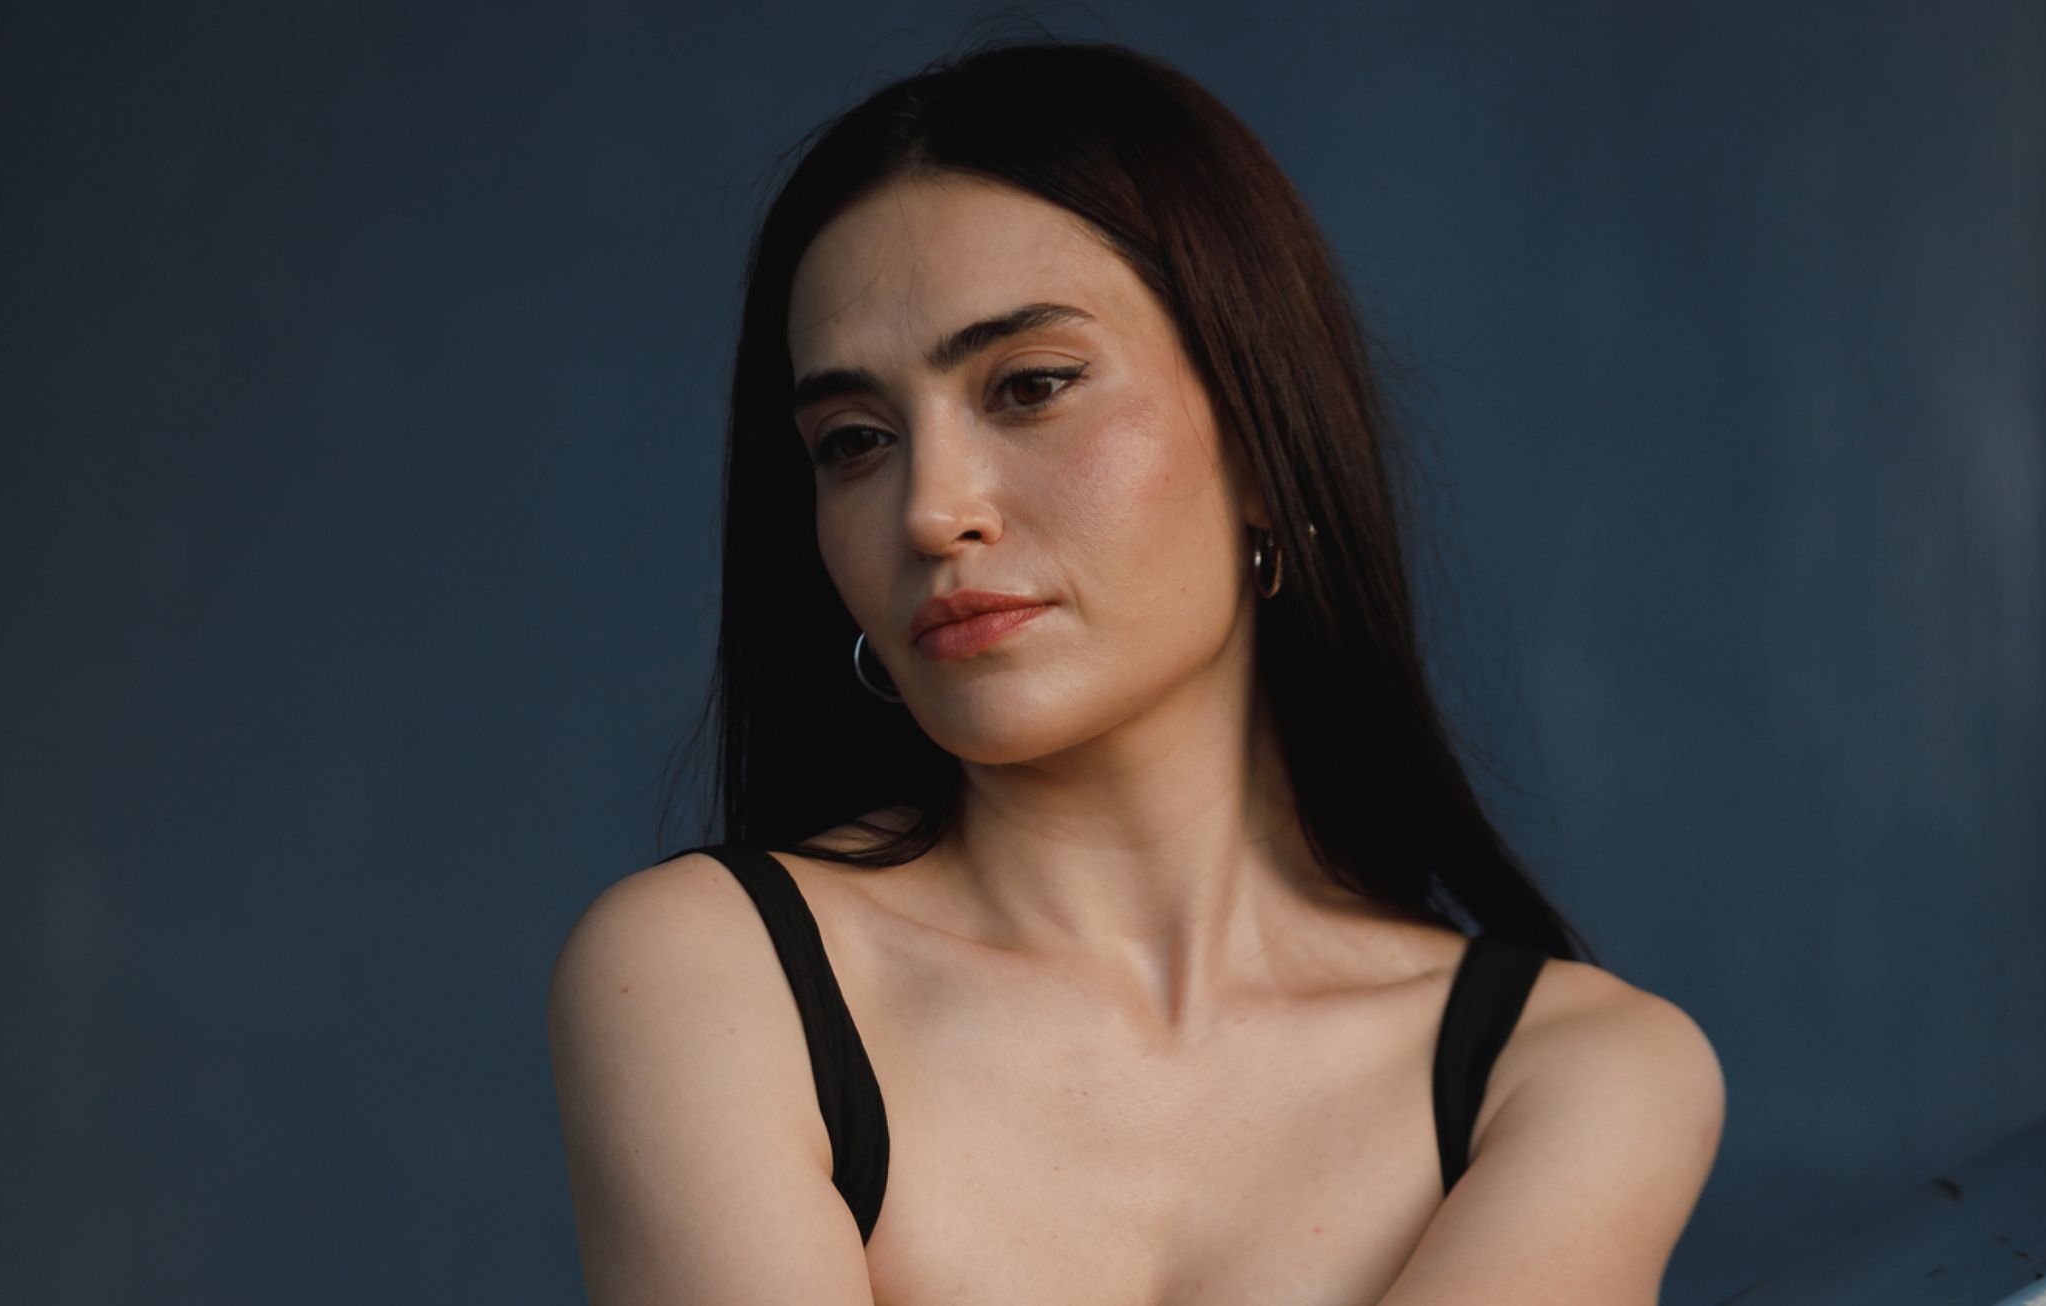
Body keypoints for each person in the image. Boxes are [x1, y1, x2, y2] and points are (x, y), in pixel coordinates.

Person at [548, 35, 1724, 1306]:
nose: (931, 511)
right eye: (852, 442)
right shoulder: (711, 975)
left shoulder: (1577, 1071)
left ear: (1267, 446)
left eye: (1031, 385)